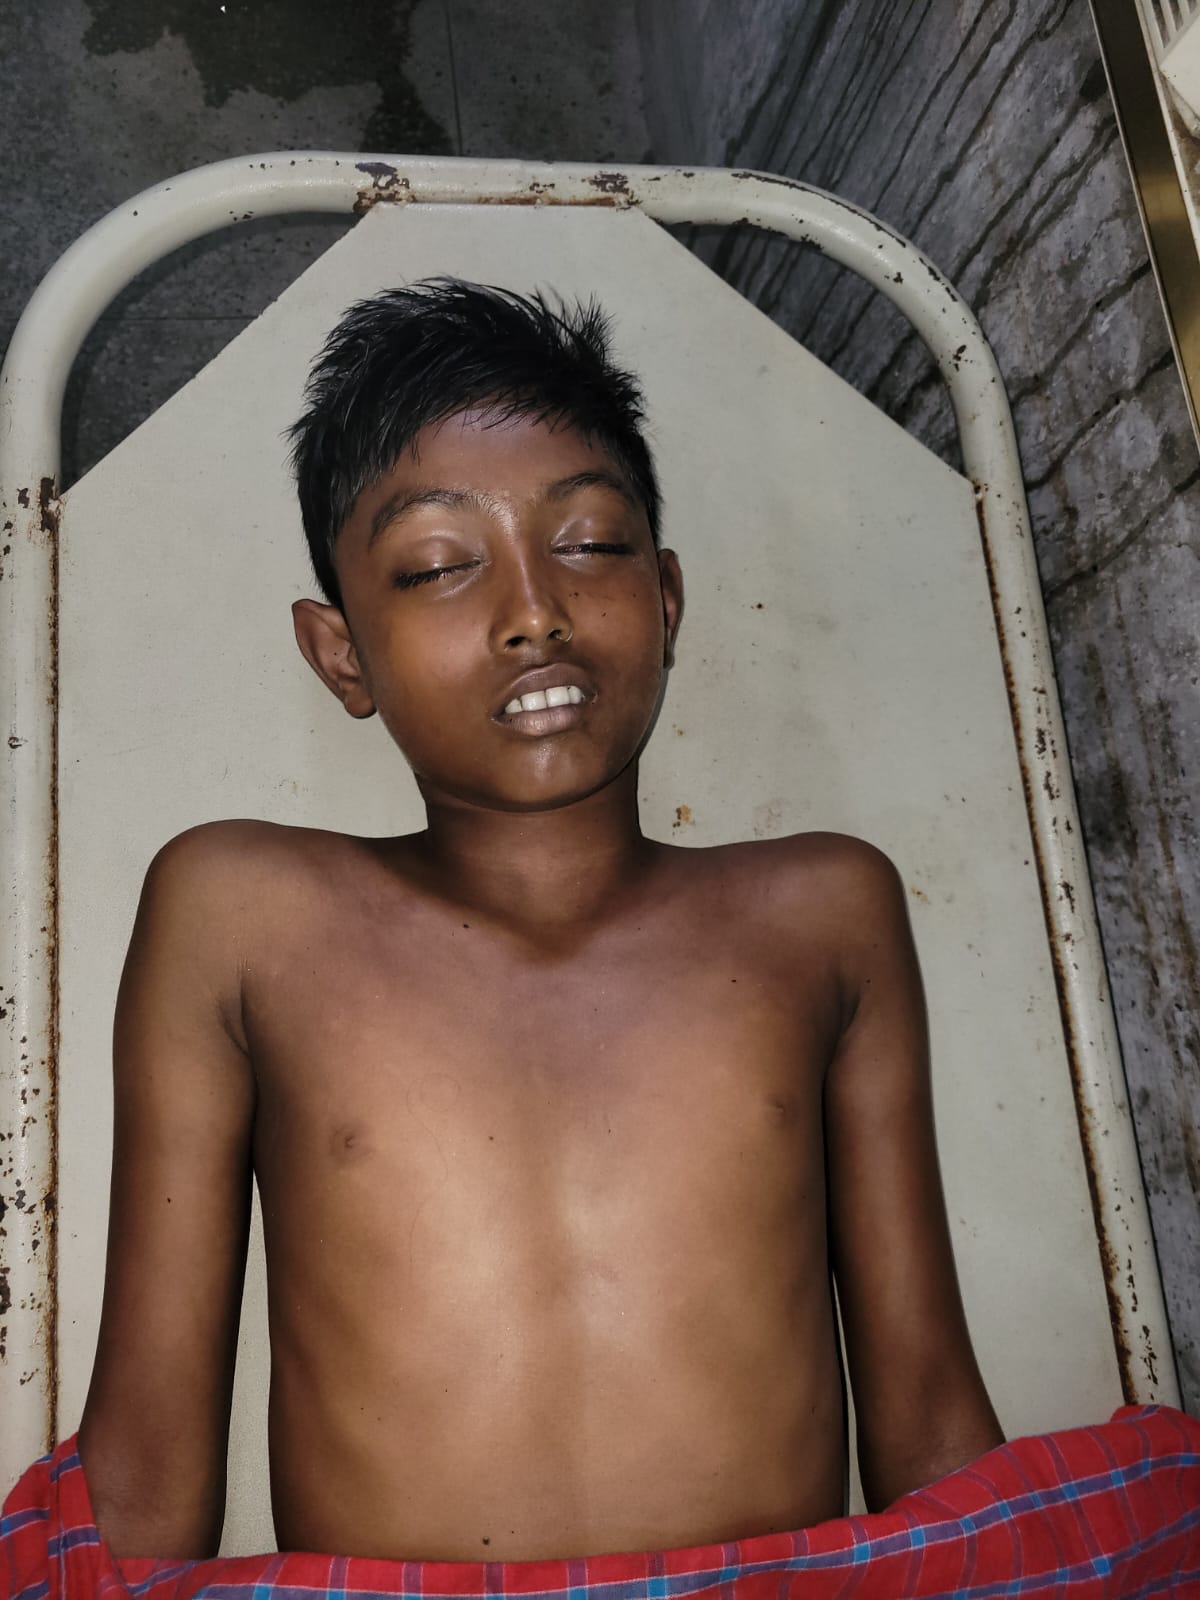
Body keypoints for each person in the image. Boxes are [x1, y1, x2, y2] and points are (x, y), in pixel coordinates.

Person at [74, 278, 1005, 1561]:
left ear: (666, 597)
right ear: (341, 654)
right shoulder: (238, 916)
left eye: (589, 543)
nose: (532, 612)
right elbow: (140, 1481)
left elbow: (934, 1427)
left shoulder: (824, 914)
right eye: (438, 565)